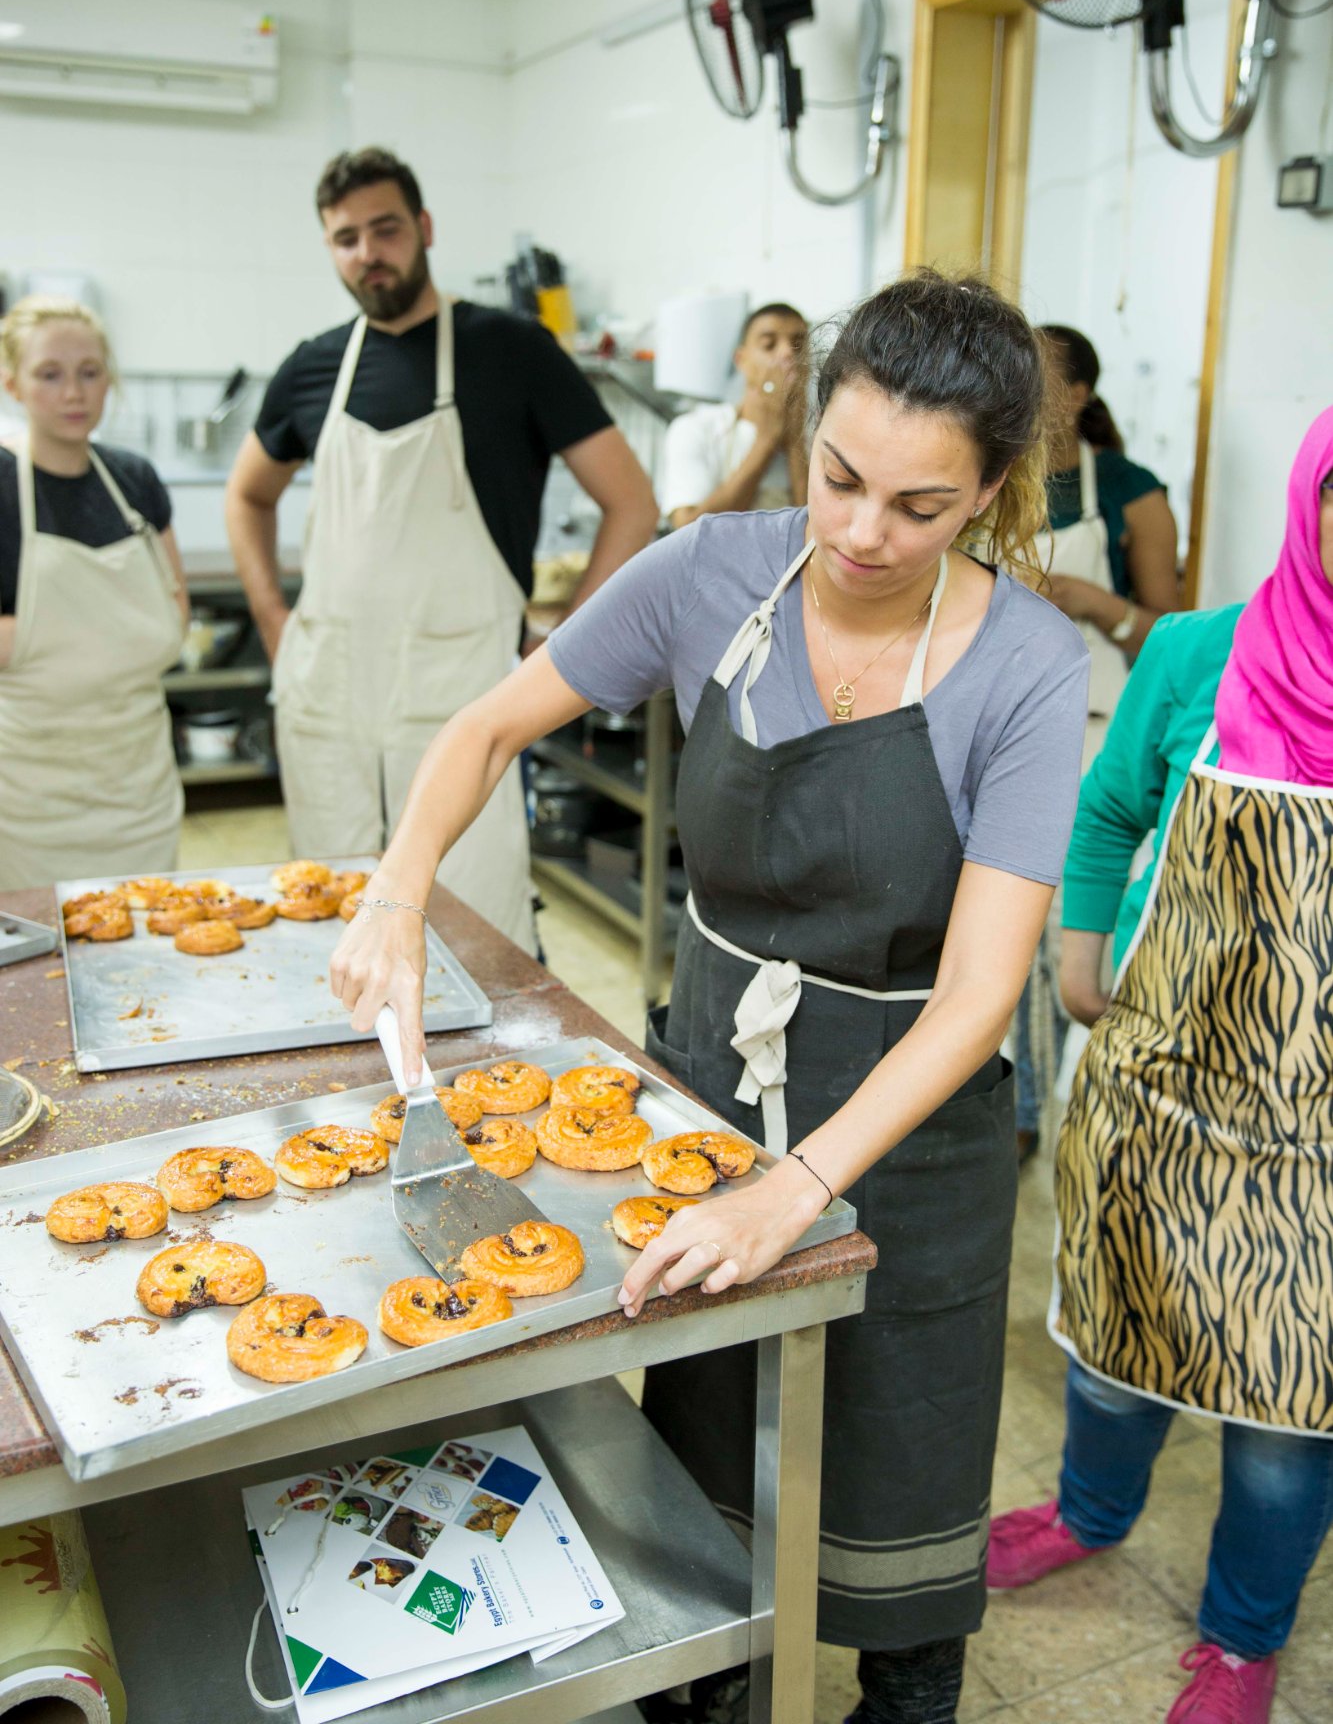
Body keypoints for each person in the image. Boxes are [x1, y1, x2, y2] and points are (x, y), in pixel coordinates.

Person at [329, 271, 1090, 1724]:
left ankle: (909, 1684)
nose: (863, 534)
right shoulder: (707, 577)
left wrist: (794, 1189)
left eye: (919, 510)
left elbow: (981, 995)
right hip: (712, 1071)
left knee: (898, 1436)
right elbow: (490, 723)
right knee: (706, 1410)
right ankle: (713, 1674)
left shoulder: (1028, 671)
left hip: (908, 1106)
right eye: (839, 479)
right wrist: (396, 885)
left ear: (991, 494)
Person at [988, 406, 1333, 1724]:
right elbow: (1110, 806)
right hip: (1161, 1091)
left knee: (1287, 1421)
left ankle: (1244, 1638)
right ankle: (1090, 1512)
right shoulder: (1194, 653)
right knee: (1117, 1354)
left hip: (1320, 1137)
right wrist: (1078, 951)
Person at [224, 147, 656, 950]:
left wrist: (561, 649)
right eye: (345, 237)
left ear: (422, 229)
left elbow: (630, 502)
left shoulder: (512, 350)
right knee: (333, 916)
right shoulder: (313, 367)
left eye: (384, 229)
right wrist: (272, 615)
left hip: (461, 697)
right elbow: (247, 494)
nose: (367, 253)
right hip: (330, 698)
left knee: (474, 929)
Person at [1011, 324, 1181, 1164]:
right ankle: (998, 1095)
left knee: (1052, 929)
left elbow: (1169, 636)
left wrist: (1084, 596)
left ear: (1077, 395)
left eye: (1037, 377)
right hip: (994, 725)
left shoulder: (1129, 492)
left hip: (1089, 733)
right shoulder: (988, 475)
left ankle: (1035, 1106)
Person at [0, 296, 188, 890]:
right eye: (49, 375)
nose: (74, 393)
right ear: (13, 385)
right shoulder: (3, 486)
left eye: (90, 372)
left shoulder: (135, 481)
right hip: (29, 801)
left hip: (139, 789)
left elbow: (173, 605)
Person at [658, 302, 809, 528]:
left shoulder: (822, 436)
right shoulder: (696, 429)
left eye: (798, 346)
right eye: (769, 345)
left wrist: (795, 438)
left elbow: (817, 537)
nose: (787, 354)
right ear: (741, 360)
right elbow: (688, 530)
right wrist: (766, 441)